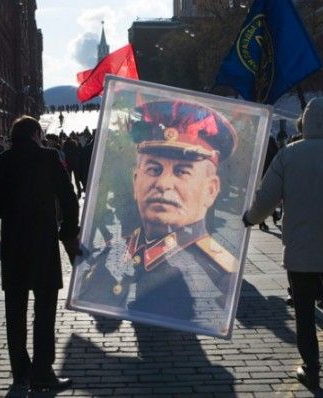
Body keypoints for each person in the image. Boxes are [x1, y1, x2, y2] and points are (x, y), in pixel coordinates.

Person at [243, 97, 323, 390]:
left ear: (305, 121)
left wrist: (251, 218)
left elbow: (266, 197)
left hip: (299, 248)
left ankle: (311, 369)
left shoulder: (288, 155)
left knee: (303, 311)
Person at [76, 100, 239, 325]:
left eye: (182, 171)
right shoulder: (120, 249)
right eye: (154, 169)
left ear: (210, 190)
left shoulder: (222, 270)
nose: (163, 184)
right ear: (136, 181)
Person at [0, 116, 79, 392]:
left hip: (13, 246)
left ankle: (19, 372)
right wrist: (68, 231)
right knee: (44, 310)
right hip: (43, 244)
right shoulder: (49, 157)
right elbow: (69, 197)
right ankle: (42, 371)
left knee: (15, 311)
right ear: (37, 134)